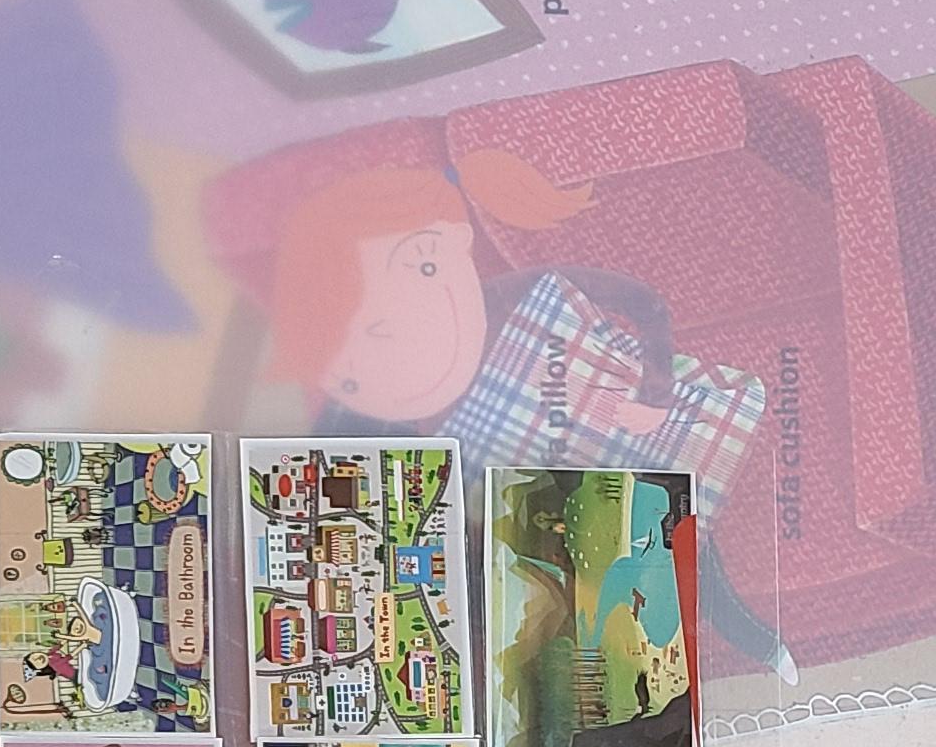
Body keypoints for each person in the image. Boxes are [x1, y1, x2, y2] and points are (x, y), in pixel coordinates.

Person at [261, 153, 790, 670]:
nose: (394, 362)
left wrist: (653, 395)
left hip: (605, 474)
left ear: (454, 242)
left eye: (423, 269)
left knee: (669, 527)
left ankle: (752, 639)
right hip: (515, 543)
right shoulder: (378, 419)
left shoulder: (520, 301)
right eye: (350, 379)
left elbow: (642, 302)